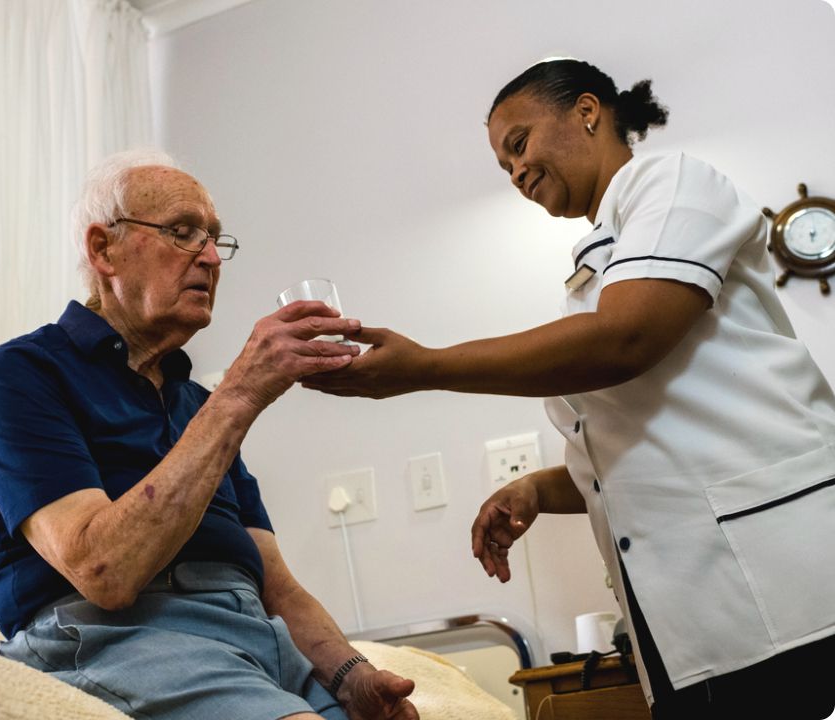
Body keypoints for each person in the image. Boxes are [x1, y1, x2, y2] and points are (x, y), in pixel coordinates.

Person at [303, 59, 835, 719]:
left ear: (587, 111)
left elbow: (626, 340)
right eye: (504, 167)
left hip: (786, 578)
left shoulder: (671, 183)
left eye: (519, 145)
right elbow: (632, 451)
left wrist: (426, 367)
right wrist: (536, 489)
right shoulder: (597, 267)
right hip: (692, 610)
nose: (517, 172)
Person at [0, 149, 418, 720]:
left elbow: (277, 585)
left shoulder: (193, 403)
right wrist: (240, 394)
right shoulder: (20, 374)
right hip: (117, 636)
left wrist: (352, 675)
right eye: (182, 232)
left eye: (214, 239)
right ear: (103, 249)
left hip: (253, 636)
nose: (209, 257)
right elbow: (103, 571)